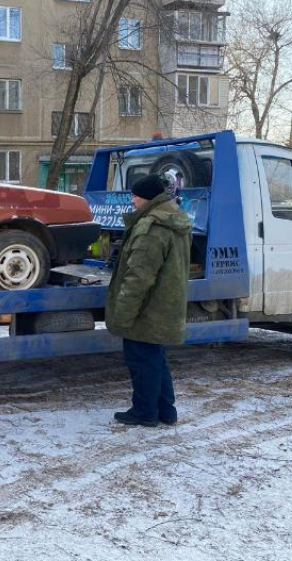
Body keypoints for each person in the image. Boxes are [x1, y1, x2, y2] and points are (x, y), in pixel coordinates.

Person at [105, 174, 192, 427]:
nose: (132, 200)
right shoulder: (174, 219)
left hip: (147, 310)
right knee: (156, 358)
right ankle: (166, 411)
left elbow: (138, 279)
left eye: (135, 196)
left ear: (147, 199)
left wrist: (123, 314)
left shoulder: (150, 228)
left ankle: (144, 412)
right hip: (164, 304)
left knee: (142, 361)